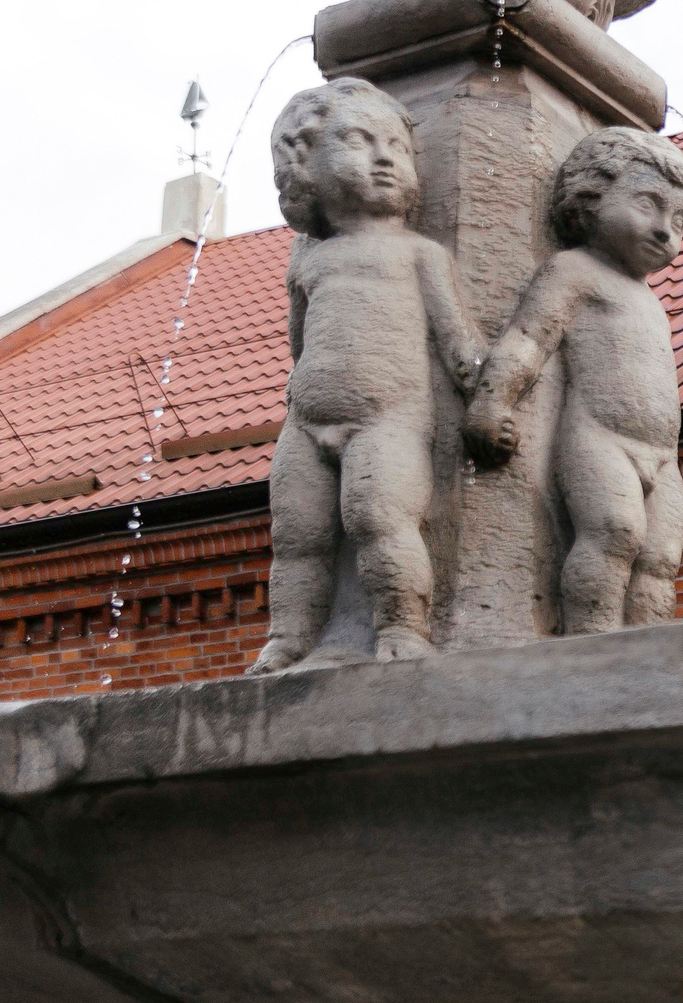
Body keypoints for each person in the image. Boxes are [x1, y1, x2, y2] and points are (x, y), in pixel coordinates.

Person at [249, 78, 486, 673]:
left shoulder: (417, 253)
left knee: (381, 517)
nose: (384, 158)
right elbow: (300, 342)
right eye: (358, 141)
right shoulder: (308, 256)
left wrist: (484, 389)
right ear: (304, 163)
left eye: (397, 147)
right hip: (305, 424)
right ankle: (290, 636)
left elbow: (456, 335)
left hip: (390, 418)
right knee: (297, 537)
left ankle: (402, 624)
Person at [464, 127, 683, 632]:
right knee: (613, 534)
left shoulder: (651, 301)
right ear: (591, 197)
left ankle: (643, 655)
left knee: (660, 560)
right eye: (647, 205)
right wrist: (492, 403)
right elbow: (527, 340)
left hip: (664, 457)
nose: (665, 231)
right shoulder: (575, 271)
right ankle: (592, 643)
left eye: (679, 220)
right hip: (601, 440)